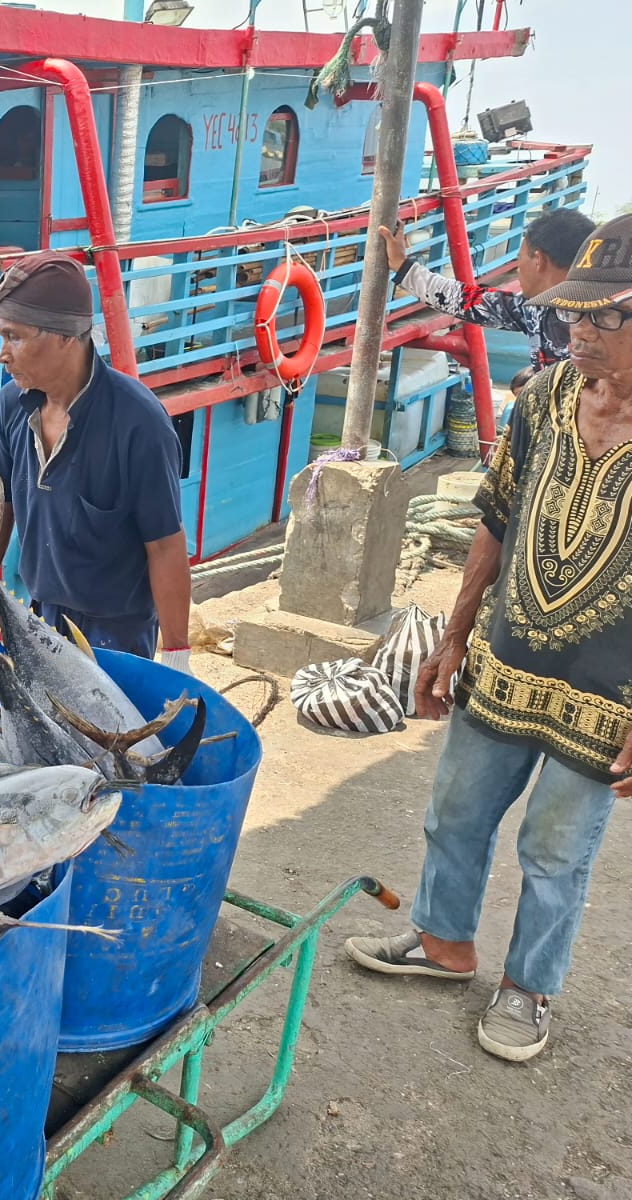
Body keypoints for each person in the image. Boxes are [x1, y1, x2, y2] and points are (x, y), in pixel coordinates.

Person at [345, 212, 632, 1062]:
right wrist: (454, 636)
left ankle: (528, 987)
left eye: (602, 315)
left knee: (555, 848)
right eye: (573, 310)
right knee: (456, 811)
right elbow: (496, 520)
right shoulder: (544, 398)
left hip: (608, 693)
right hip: (508, 658)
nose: (577, 329)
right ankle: (443, 943)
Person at [0, 250, 193, 672]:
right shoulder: (11, 405)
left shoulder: (139, 422)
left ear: (65, 336)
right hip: (39, 615)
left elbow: (165, 546)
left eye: (14, 337)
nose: (2, 354)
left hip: (118, 631)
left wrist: (177, 653)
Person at [380, 207, 595, 394]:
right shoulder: (536, 308)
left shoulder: (598, 323)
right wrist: (402, 266)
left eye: (519, 260)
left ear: (538, 260)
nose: (518, 270)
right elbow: (463, 300)